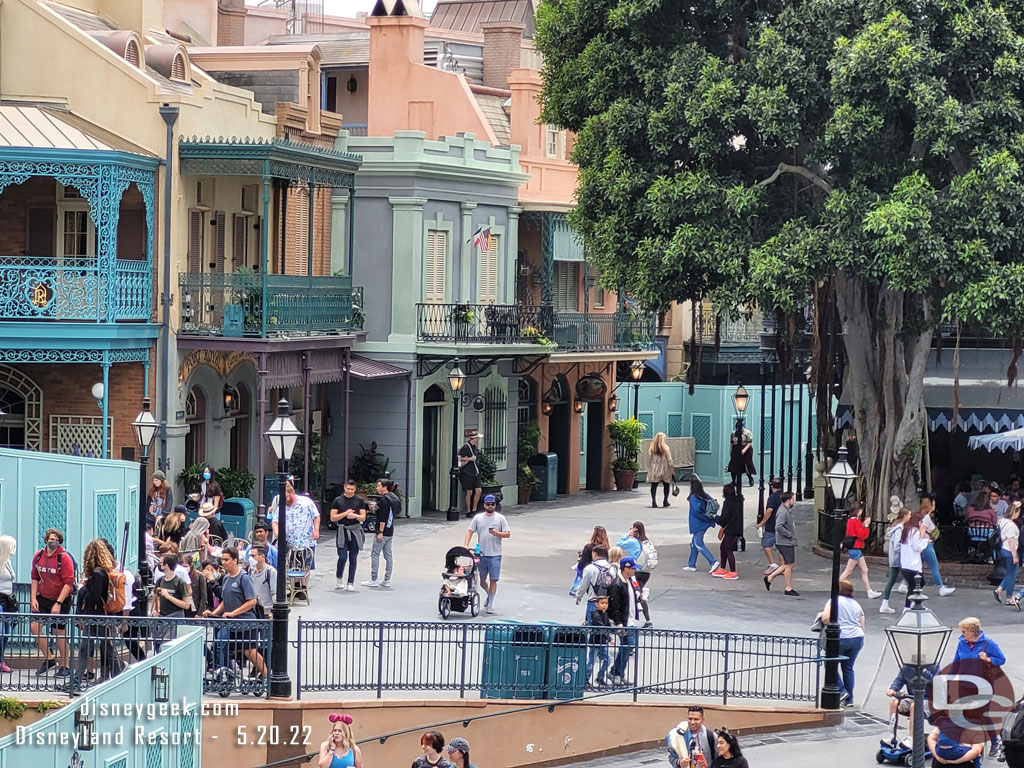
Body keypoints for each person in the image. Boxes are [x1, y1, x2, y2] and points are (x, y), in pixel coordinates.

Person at [203, 547, 267, 680]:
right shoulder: (226, 578)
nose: (224, 562)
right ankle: (228, 677)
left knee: (250, 652)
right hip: (231, 624)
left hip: (246, 623)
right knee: (220, 647)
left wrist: (233, 613)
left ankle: (269, 678)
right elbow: (225, 601)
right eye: (222, 559)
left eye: (227, 559)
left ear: (235, 560)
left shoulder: (244, 578)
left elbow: (252, 601)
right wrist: (213, 613)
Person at [953, 616, 1007, 756]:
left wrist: (988, 659)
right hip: (964, 684)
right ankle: (969, 743)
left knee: (982, 714)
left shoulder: (989, 644)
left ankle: (995, 742)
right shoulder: (961, 643)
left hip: (983, 685)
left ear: (972, 631)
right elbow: (956, 661)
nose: (962, 633)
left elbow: (1002, 659)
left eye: (964, 631)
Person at [67, 539, 112, 691]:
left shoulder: (98, 574)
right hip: (97, 617)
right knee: (89, 648)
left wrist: (81, 589)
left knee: (103, 648)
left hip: (96, 616)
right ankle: (75, 682)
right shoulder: (103, 573)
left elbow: (93, 597)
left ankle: (119, 673)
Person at [30, 527, 74, 676]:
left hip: (61, 598)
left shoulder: (64, 558)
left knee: (59, 632)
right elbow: (35, 577)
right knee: (34, 626)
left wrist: (59, 603)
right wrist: (33, 598)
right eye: (51, 539)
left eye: (56, 539)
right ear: (46, 539)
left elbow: (68, 582)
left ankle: (65, 665)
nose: (53, 541)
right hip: (43, 597)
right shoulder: (38, 556)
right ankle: (49, 658)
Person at [821, 579, 865, 706]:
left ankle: (841, 690)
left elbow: (826, 618)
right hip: (857, 637)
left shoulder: (834, 601)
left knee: (830, 664)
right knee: (848, 668)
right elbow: (862, 624)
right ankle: (849, 699)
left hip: (841, 637)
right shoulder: (856, 604)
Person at [464, 494, 511, 614]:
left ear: (495, 505)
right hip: (482, 554)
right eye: (488, 504)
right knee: (482, 580)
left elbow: (507, 534)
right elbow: (470, 531)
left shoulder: (500, 518)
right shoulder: (478, 518)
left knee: (494, 579)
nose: (490, 506)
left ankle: (490, 603)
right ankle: (489, 595)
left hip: (495, 554)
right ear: (484, 505)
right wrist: (466, 544)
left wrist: (497, 534)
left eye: (492, 504)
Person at [607, 556, 641, 686]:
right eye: (633, 568)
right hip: (625, 622)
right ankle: (615, 672)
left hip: (630, 620)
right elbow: (615, 606)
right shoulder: (617, 584)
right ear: (626, 568)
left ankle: (619, 672)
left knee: (628, 646)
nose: (634, 571)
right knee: (628, 645)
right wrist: (619, 623)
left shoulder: (629, 581)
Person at [268, 482, 321, 565]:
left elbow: (316, 516)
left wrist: (316, 530)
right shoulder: (282, 506)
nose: (284, 500)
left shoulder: (306, 502)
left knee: (304, 570)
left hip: (306, 542)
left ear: (291, 493)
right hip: (289, 544)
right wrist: (278, 534)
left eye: (285, 498)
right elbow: (275, 521)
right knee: (290, 569)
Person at [838, 501, 882, 599]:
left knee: (864, 570)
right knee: (848, 571)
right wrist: (866, 526)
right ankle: (836, 587)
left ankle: (869, 591)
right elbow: (862, 535)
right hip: (856, 548)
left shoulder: (850, 520)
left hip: (854, 548)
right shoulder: (856, 521)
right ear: (859, 510)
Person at [331, 480, 367, 591]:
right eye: (348, 489)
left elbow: (363, 517)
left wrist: (355, 516)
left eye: (352, 489)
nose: (350, 491)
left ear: (355, 489)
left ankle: (350, 582)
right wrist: (345, 514)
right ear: (344, 488)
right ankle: (339, 577)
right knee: (342, 557)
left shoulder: (359, 500)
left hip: (355, 530)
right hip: (342, 530)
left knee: (353, 557)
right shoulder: (338, 500)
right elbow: (333, 517)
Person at [363, 479, 399, 589]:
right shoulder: (392, 497)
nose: (377, 488)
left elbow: (383, 517)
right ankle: (387, 579)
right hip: (390, 530)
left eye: (378, 486)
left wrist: (380, 532)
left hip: (382, 531)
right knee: (388, 555)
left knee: (375, 554)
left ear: (384, 487)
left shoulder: (384, 500)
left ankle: (374, 579)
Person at [617, 521, 653, 625]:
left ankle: (641, 611)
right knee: (639, 590)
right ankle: (646, 617)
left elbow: (619, 543)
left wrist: (628, 534)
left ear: (635, 529)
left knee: (637, 592)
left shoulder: (633, 542)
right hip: (646, 571)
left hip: (635, 570)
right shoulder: (647, 541)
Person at [918, 495, 955, 596]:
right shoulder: (926, 519)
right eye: (933, 505)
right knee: (934, 566)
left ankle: (905, 583)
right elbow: (922, 532)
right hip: (927, 545)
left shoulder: (922, 517)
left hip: (925, 545)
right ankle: (940, 587)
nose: (934, 506)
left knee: (918, 566)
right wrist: (922, 542)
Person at [764, 492, 798, 595]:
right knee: (789, 565)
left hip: (785, 541)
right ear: (789, 500)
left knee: (788, 564)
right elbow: (778, 526)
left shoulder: (785, 510)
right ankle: (788, 588)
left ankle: (769, 578)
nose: (794, 500)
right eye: (793, 499)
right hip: (785, 542)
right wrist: (790, 535)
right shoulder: (783, 511)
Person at [684, 477, 719, 573]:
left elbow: (696, 512)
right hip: (704, 523)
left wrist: (704, 518)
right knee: (693, 544)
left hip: (698, 524)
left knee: (698, 544)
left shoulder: (693, 497)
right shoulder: (704, 496)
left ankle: (713, 562)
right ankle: (691, 564)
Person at [879, 507, 910, 614]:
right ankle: (909, 605)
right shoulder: (899, 529)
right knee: (911, 580)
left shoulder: (897, 528)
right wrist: (907, 547)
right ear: (905, 516)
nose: (910, 517)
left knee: (892, 580)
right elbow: (897, 545)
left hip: (895, 559)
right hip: (898, 559)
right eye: (909, 515)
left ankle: (885, 603)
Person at [575, 544, 615, 622]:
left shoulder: (590, 568)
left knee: (593, 627)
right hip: (607, 602)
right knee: (606, 626)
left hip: (594, 600)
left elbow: (584, 585)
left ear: (594, 554)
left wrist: (578, 597)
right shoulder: (612, 569)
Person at [898, 511, 930, 603]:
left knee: (913, 586)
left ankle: (911, 605)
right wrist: (925, 542)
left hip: (905, 563)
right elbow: (917, 546)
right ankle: (910, 606)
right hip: (913, 565)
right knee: (918, 584)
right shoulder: (915, 532)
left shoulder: (906, 530)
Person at [713, 484, 743, 580]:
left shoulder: (728, 502)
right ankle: (722, 568)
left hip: (730, 529)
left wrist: (716, 518)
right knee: (723, 547)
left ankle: (733, 572)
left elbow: (725, 517)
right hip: (735, 527)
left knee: (728, 550)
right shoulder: (737, 502)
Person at [994, 502, 1021, 605]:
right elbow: (1011, 541)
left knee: (1010, 573)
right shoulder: (1011, 526)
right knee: (1012, 575)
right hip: (1010, 551)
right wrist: (1015, 555)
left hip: (1003, 550)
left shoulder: (1002, 521)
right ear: (1015, 512)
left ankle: (999, 590)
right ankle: (1009, 597)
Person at [585, 595, 612, 687]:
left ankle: (600, 677)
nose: (604, 605)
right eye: (602, 603)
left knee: (608, 660)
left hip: (603, 642)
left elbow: (608, 626)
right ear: (597, 604)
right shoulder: (595, 614)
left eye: (606, 603)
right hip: (595, 641)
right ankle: (585, 679)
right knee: (591, 662)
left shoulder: (606, 614)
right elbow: (601, 627)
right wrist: (610, 638)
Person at [574, 526, 610, 594]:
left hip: (590, 575)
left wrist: (579, 562)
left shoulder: (589, 547)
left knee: (592, 594)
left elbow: (582, 564)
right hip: (603, 576)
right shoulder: (607, 548)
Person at [760, 477, 783, 575]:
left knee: (766, 545)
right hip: (782, 524)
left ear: (771, 486)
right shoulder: (783, 496)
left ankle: (773, 564)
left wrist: (762, 522)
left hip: (772, 524)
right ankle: (783, 566)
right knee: (781, 546)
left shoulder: (772, 497)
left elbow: (769, 510)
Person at [0, 535, 16, 673]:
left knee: (6, 632)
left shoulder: (8, 563)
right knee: (0, 632)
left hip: (8, 601)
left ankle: (1, 660)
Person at [459, 430, 483, 517]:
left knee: (478, 490)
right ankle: (468, 510)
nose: (478, 440)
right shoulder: (466, 447)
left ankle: (474, 509)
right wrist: (470, 459)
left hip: (474, 471)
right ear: (474, 438)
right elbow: (460, 458)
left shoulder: (474, 447)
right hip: (467, 472)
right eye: (477, 438)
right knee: (469, 491)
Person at [648, 431, 675, 508]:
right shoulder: (666, 448)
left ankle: (654, 501)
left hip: (654, 468)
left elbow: (650, 459)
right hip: (664, 468)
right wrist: (672, 469)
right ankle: (665, 501)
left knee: (654, 486)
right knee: (666, 485)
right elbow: (669, 460)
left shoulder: (652, 448)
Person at [726, 419, 753, 493]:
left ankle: (750, 478)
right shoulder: (733, 434)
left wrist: (744, 450)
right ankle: (733, 481)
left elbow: (749, 442)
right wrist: (731, 451)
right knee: (733, 465)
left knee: (746, 464)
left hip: (745, 449)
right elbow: (731, 443)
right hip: (736, 449)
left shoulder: (747, 432)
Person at [250, 545, 277, 616]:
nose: (251, 558)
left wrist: (273, 612)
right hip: (253, 611)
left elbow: (274, 593)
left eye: (253, 556)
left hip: (266, 612)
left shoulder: (271, 572)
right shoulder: (250, 571)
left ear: (262, 556)